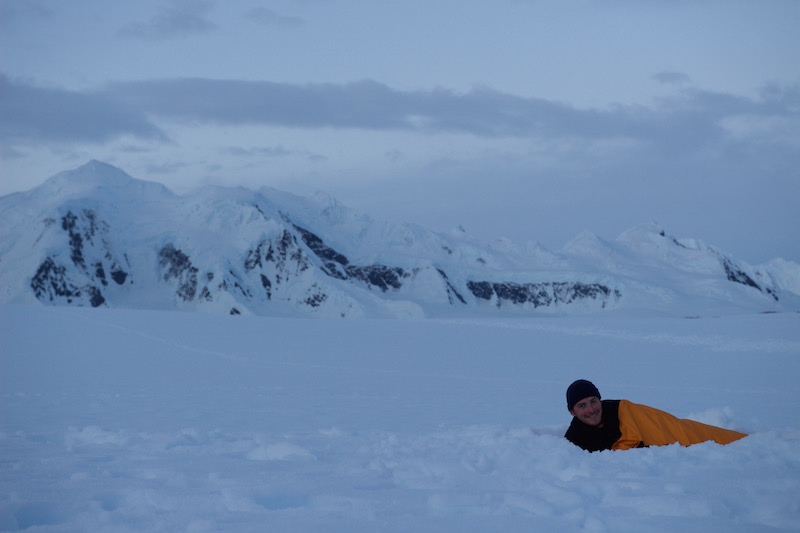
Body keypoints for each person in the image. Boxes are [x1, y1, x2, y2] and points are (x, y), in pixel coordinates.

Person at [564, 379, 747, 452]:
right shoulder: (574, 439)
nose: (591, 409)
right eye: (582, 405)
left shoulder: (620, 409)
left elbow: (662, 426)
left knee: (690, 432)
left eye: (594, 401)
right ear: (572, 412)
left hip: (669, 431)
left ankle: (743, 440)